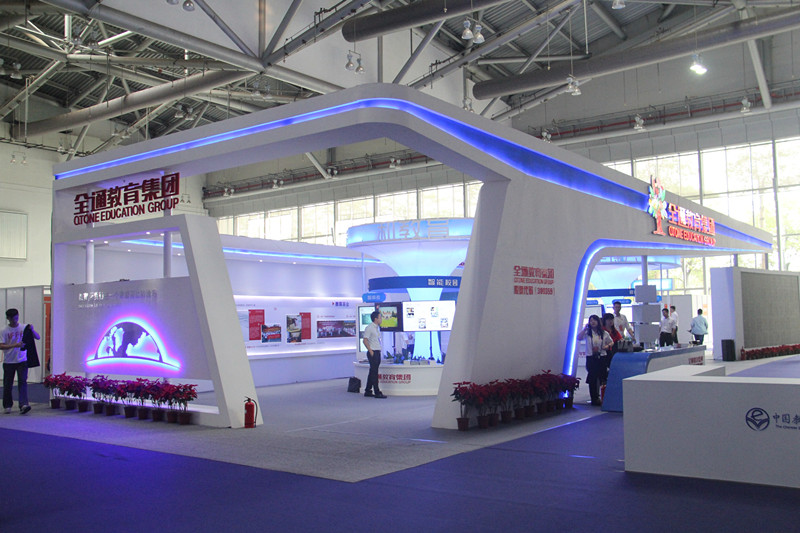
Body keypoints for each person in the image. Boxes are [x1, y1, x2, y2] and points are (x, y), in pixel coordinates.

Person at [1, 308, 36, 414]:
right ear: (8, 318)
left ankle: (23, 404)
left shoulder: (24, 327)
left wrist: (32, 330)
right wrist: (14, 345)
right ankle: (7, 405)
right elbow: (1, 346)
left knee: (22, 382)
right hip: (9, 361)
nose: (15, 320)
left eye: (16, 318)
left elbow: (37, 337)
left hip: (22, 360)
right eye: (12, 319)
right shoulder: (4, 330)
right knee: (8, 384)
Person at [577, 314, 613, 406]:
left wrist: (607, 346)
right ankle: (594, 398)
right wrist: (584, 329)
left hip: (602, 357)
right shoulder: (587, 333)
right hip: (591, 358)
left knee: (602, 377)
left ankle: (604, 397)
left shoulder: (604, 333)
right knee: (592, 378)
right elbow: (578, 338)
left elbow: (611, 342)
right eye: (591, 320)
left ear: (598, 322)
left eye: (594, 320)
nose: (592, 322)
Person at [362, 310, 387, 399]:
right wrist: (370, 351)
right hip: (373, 352)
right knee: (374, 373)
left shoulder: (376, 328)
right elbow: (365, 340)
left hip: (377, 351)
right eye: (380, 317)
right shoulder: (369, 328)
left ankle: (368, 390)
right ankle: (377, 392)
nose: (381, 319)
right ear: (376, 319)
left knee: (372, 372)